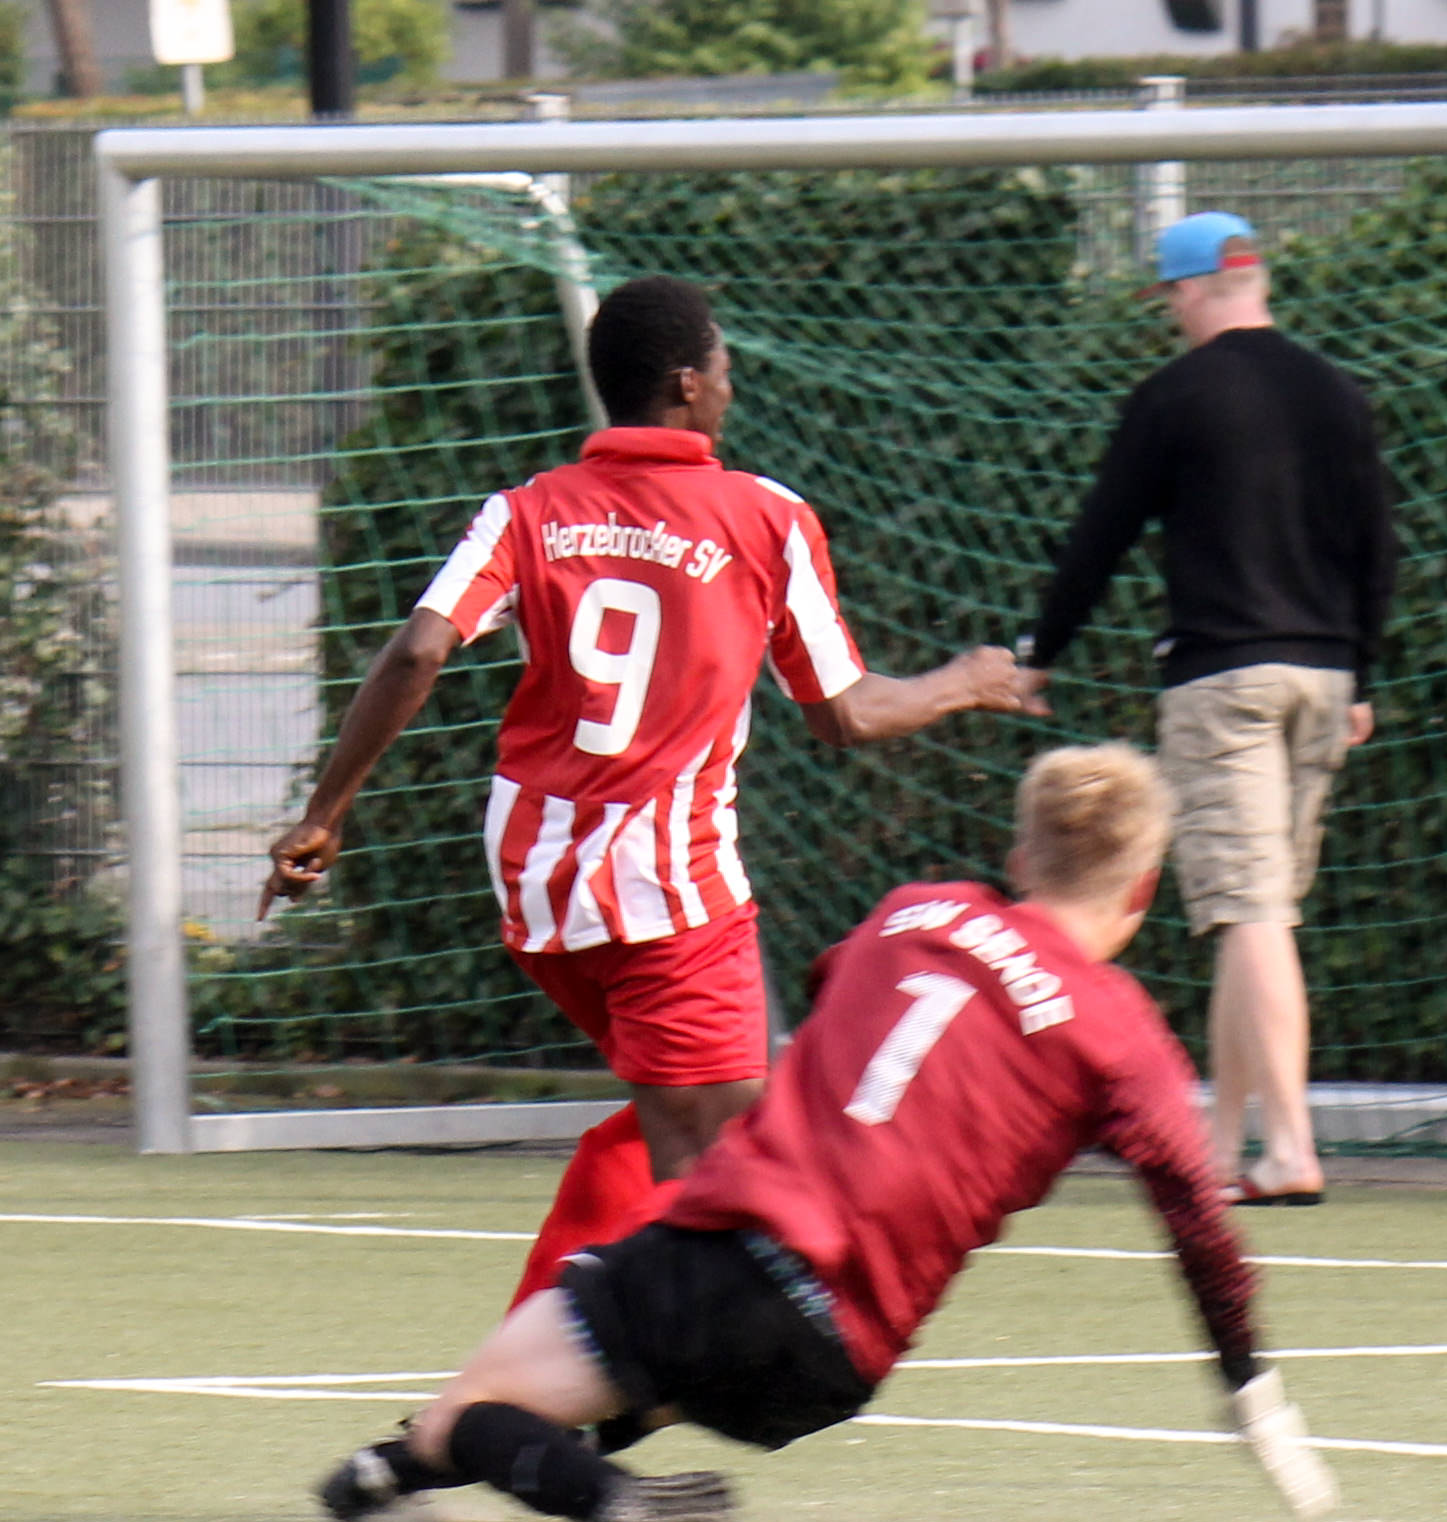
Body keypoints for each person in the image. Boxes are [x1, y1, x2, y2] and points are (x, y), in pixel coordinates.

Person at [312, 744, 1338, 1522]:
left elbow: (833, 981)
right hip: (835, 1360)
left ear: (1021, 858)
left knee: (466, 1417)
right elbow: (1200, 1227)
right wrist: (1249, 1389)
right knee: (630, 1378)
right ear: (1143, 888)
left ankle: (583, 1492)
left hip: (728, 1257)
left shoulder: (917, 908)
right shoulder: (1125, 1039)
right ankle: (415, 1470)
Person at [260, 275, 1038, 1309]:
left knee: (672, 1113)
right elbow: (844, 711)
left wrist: (325, 814)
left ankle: (560, 1329)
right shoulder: (766, 517)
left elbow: (417, 649)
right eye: (723, 367)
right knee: (727, 1169)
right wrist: (963, 681)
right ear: (686, 384)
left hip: (539, 886)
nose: (732, 384)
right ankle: (592, 1364)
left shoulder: (526, 510)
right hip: (669, 891)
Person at [1019, 210, 1399, 1208]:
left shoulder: (1173, 397)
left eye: (1169, 300)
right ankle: (1220, 1148)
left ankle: (1292, 1148)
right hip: (1324, 680)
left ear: (1188, 291)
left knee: (1251, 911)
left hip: (1223, 682)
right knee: (1251, 916)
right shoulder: (1338, 392)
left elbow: (1099, 536)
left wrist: (1040, 655)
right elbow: (1378, 545)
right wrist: (1361, 675)